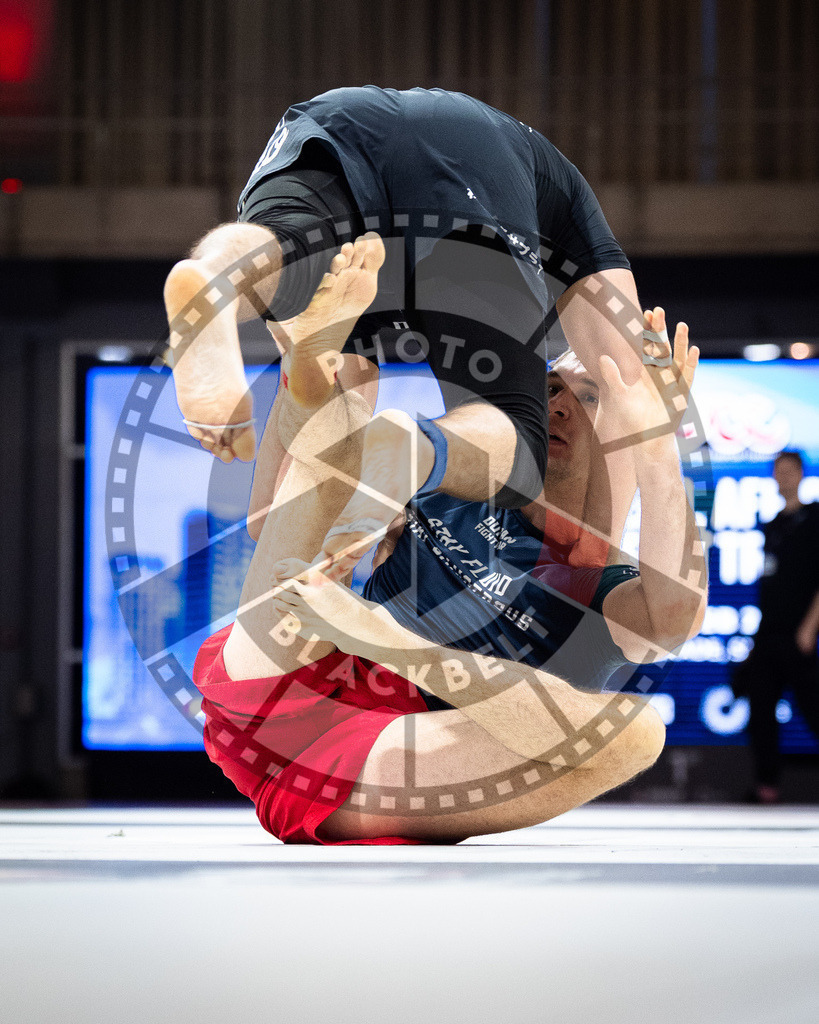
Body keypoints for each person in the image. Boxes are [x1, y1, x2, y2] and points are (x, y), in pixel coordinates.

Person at [193, 232, 706, 844]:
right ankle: (308, 358)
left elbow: (673, 617)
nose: (560, 404)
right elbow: (270, 521)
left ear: (623, 429)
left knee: (638, 735)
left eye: (588, 395)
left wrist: (657, 442)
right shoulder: (448, 492)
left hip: (381, 753)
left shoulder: (595, 586)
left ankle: (316, 368)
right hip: (288, 663)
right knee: (346, 419)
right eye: (549, 389)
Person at [164, 86, 649, 573]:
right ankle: (414, 446)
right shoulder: (574, 214)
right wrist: (600, 552)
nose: (562, 404)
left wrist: (298, 517)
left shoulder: (561, 203)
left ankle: (216, 279)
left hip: (341, 123)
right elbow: (628, 381)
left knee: (285, 257)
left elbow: (269, 516)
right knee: (519, 445)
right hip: (478, 159)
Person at [734, 451, 819, 804]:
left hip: (800, 634)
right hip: (769, 633)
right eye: (778, 471)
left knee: (813, 706)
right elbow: (769, 586)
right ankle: (767, 785)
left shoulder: (815, 519)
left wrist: (809, 628)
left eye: (789, 471)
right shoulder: (772, 526)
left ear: (800, 474)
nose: (783, 478)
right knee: (761, 709)